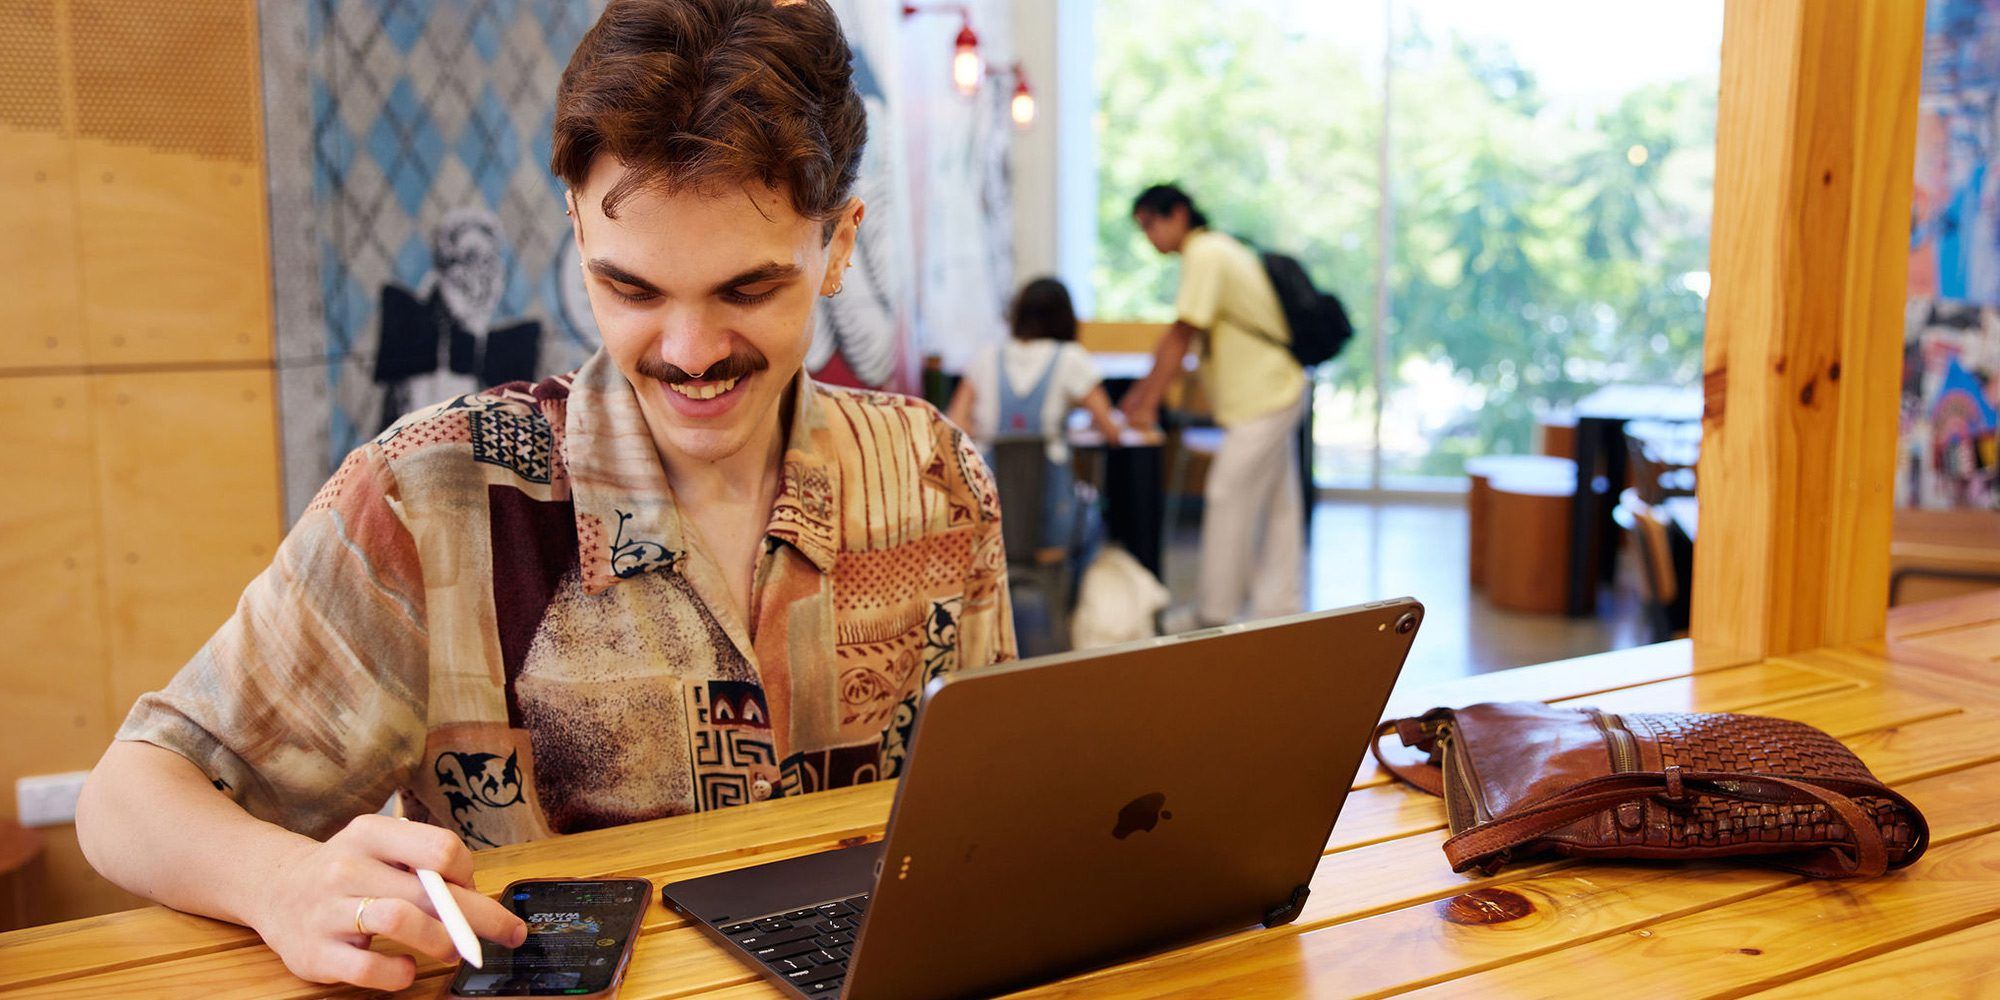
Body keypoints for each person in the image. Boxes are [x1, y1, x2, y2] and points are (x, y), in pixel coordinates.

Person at [74, 1, 1014, 992]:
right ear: (575, 232)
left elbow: (989, 809)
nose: (690, 354)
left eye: (746, 290)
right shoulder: (436, 492)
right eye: (633, 290)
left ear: (837, 246)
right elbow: (127, 795)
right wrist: (282, 880)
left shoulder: (933, 475)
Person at [1119, 184, 1306, 626]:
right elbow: (1181, 337)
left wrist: (1143, 403)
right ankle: (1280, 609)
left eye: (1151, 224)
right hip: (1275, 387)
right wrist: (1139, 398)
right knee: (1280, 507)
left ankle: (1213, 615)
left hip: (1265, 395)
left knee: (1226, 496)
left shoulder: (1204, 252)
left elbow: (1180, 334)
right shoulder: (1218, 249)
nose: (1149, 237)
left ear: (1179, 214)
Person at [947, 277, 1123, 549]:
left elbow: (953, 427)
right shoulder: (1070, 357)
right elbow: (1111, 430)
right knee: (1093, 516)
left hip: (985, 520)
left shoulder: (986, 357)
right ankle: (1063, 589)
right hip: (1052, 523)